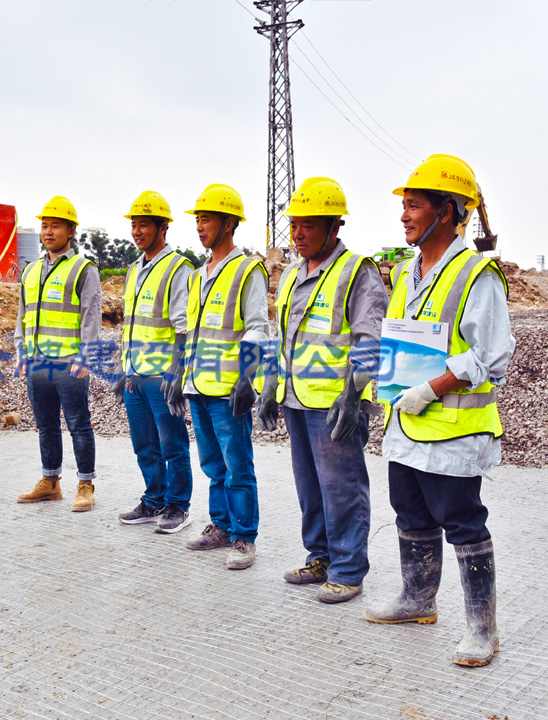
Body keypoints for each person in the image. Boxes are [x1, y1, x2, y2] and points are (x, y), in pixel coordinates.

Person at [364, 155, 515, 667]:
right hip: (406, 421)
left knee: (462, 521)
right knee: (410, 512)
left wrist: (430, 388)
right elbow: (401, 341)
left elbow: (492, 354)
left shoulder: (477, 273)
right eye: (404, 205)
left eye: (413, 205)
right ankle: (417, 599)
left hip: (453, 424)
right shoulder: (407, 271)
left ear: (446, 211)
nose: (403, 215)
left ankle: (482, 629)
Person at [256, 177, 386, 603]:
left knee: (342, 486)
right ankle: (321, 557)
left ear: (335, 226)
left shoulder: (356, 271)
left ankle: (349, 569)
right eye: (294, 224)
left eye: (308, 225)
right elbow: (284, 336)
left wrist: (354, 394)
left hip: (336, 404)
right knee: (310, 485)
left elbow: (370, 339)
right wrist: (272, 383)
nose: (297, 233)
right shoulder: (293, 273)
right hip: (296, 398)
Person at [181, 184, 269, 570]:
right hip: (199, 383)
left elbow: (257, 328)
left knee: (237, 465)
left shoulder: (248, 269)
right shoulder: (199, 275)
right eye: (197, 219)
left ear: (229, 223)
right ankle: (220, 524)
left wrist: (247, 379)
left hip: (228, 388)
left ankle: (244, 536)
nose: (200, 226)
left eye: (207, 219)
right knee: (213, 464)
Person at [113, 191, 194, 534]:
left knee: (172, 443)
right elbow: (131, 325)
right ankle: (154, 498)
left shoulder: (178, 268)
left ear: (163, 227)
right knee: (144, 444)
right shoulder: (133, 270)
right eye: (134, 225)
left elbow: (182, 327)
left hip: (162, 375)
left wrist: (176, 372)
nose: (136, 232)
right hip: (135, 374)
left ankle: (178, 505)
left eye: (143, 225)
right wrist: (123, 369)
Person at [14, 196, 102, 512]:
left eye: (56, 226)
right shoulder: (31, 271)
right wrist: (21, 350)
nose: (48, 232)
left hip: (69, 360)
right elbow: (22, 315)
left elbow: (92, 315)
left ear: (70, 230)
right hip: (37, 361)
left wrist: (86, 355)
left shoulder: (83, 269)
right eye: (45, 226)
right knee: (46, 424)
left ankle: (85, 484)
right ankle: (50, 482)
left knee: (79, 423)